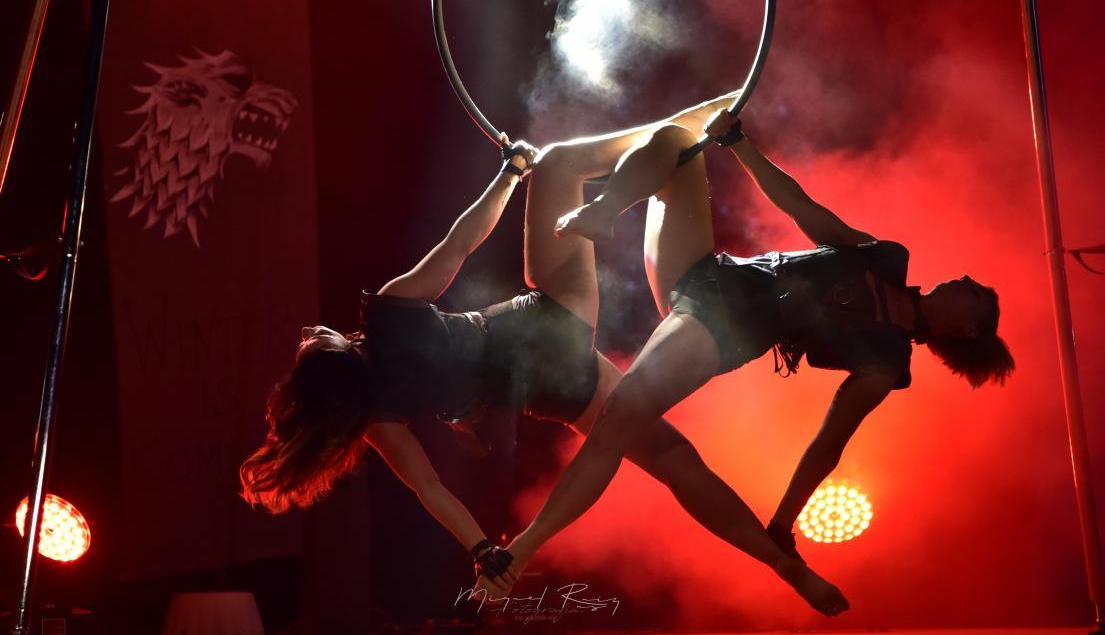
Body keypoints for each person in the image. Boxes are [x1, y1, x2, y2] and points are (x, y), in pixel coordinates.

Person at [239, 97, 848, 615]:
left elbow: (431, 490)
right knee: (559, 162)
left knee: (674, 461)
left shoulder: (378, 419)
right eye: (310, 340)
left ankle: (785, 567)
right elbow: (460, 243)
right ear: (331, 353)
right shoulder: (388, 311)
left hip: (551, 388)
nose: (310, 329)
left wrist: (484, 551)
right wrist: (509, 175)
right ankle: (688, 129)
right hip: (550, 317)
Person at [498, 108, 1014, 590]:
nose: (967, 279)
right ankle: (604, 210)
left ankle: (524, 547)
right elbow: (802, 208)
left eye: (977, 294)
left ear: (967, 330)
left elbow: (828, 444)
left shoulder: (886, 362)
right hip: (707, 272)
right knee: (676, 141)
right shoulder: (888, 259)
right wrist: (739, 144)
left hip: (725, 327)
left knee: (621, 415)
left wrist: (784, 523)